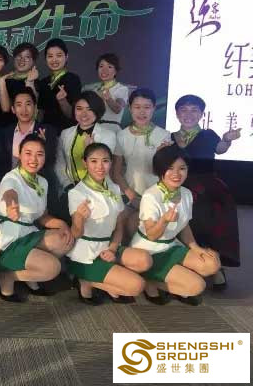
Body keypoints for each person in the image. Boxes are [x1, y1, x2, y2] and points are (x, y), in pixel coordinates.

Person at [131, 145, 221, 305]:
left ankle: (168, 280)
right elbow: (151, 235)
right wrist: (164, 221)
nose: (176, 174)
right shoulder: (151, 196)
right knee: (197, 286)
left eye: (182, 168)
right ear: (160, 170)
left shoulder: (186, 193)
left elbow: (184, 226)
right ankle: (149, 281)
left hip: (171, 246)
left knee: (212, 264)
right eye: (170, 168)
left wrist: (196, 248)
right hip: (150, 251)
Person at [0, 134, 74, 302]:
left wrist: (63, 225)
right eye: (28, 153)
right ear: (19, 155)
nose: (33, 159)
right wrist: (11, 206)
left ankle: (29, 274)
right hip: (8, 239)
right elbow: (9, 193)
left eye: (39, 154)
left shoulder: (42, 182)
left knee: (65, 240)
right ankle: (8, 276)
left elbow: (42, 216)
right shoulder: (11, 178)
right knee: (53, 268)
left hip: (27, 233)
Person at [171, 94, 241, 289]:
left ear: (202, 114)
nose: (189, 114)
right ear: (177, 114)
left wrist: (227, 139)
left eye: (194, 110)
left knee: (208, 226)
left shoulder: (209, 134)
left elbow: (220, 149)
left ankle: (215, 266)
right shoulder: (169, 137)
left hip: (207, 189)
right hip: (178, 187)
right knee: (181, 225)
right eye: (184, 110)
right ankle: (187, 264)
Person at [67, 143, 151, 305]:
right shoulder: (77, 192)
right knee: (137, 286)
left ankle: (106, 280)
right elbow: (76, 233)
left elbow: (119, 225)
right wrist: (79, 218)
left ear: (111, 163)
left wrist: (112, 248)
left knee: (144, 260)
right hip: (86, 255)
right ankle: (85, 281)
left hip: (108, 248)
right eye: (94, 161)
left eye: (105, 161)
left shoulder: (113, 187)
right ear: (85, 163)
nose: (100, 166)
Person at [111, 88, 171, 237]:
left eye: (147, 107)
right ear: (130, 108)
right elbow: (116, 173)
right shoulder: (121, 135)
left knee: (135, 225)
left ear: (154, 108)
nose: (142, 112)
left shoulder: (164, 135)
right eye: (137, 107)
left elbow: (167, 173)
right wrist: (131, 196)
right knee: (117, 223)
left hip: (156, 195)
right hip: (129, 194)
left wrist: (162, 156)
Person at [0, 87, 59, 212]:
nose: (24, 110)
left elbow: (51, 160)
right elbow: (0, 161)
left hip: (39, 187)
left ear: (35, 108)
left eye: (28, 104)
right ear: (13, 109)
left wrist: (44, 145)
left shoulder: (47, 130)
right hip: (13, 187)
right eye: (19, 105)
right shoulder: (5, 132)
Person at [55, 91, 116, 199]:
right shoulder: (65, 134)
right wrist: (68, 185)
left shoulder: (108, 135)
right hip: (72, 190)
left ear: (97, 111)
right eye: (79, 109)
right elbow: (60, 163)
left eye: (89, 109)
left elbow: (103, 168)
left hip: (98, 191)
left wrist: (89, 149)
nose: (84, 114)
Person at [35, 38, 81, 133]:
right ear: (46, 59)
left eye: (59, 55)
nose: (54, 60)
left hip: (66, 132)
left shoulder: (72, 79)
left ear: (66, 57)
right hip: (46, 132)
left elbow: (73, 115)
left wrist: (62, 100)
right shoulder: (44, 82)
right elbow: (41, 112)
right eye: (50, 56)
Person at [83, 53, 129, 132]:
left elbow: (118, 109)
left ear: (116, 71)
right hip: (93, 129)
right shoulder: (94, 90)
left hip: (111, 129)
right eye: (101, 66)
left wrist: (108, 98)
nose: (104, 70)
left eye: (109, 67)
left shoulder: (121, 89)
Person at [0, 42, 40, 123]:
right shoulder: (6, 80)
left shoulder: (37, 82)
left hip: (27, 126)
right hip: (7, 125)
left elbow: (34, 107)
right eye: (19, 56)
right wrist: (2, 82)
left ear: (33, 61)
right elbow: (5, 108)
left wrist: (30, 82)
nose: (22, 60)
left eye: (27, 57)